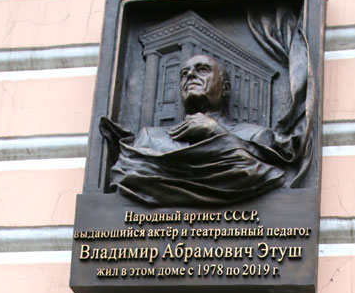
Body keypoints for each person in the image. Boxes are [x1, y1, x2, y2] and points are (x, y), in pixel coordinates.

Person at [100, 53, 304, 206]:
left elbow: (264, 175)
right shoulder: (149, 139)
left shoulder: (256, 136)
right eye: (184, 74)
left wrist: (216, 133)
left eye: (202, 70)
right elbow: (124, 177)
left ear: (225, 89)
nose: (190, 75)